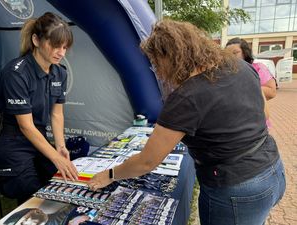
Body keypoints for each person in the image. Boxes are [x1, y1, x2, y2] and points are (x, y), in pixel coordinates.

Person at [88, 20, 286, 225]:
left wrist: (110, 174)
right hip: (272, 169)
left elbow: (147, 162)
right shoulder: (241, 66)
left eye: (156, 62)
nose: (156, 69)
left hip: (237, 188)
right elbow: (263, 113)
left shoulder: (187, 96)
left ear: (171, 57)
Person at [0, 12, 78, 203]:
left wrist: (60, 147)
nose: (61, 52)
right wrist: (56, 158)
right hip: (14, 143)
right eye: (55, 45)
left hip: (38, 139)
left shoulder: (60, 73)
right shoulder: (16, 73)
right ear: (36, 40)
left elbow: (57, 115)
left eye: (65, 47)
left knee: (61, 185)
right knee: (34, 197)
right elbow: (26, 126)